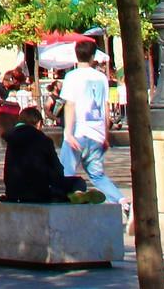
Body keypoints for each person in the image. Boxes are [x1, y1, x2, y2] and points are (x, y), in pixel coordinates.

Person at [58, 38, 123, 207]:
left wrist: (69, 133)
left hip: (78, 132)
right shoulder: (101, 78)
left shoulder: (71, 77)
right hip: (97, 133)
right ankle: (122, 201)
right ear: (93, 56)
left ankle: (68, 202)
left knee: (66, 173)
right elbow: (105, 107)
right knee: (98, 175)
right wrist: (106, 135)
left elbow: (70, 105)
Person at [4, 107, 89, 204]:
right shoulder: (43, 139)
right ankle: (77, 194)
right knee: (78, 182)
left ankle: (72, 195)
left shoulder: (11, 139)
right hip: (40, 194)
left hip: (13, 193)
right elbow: (59, 171)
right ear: (39, 123)